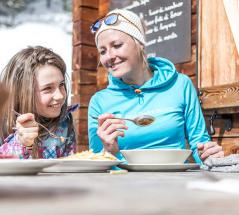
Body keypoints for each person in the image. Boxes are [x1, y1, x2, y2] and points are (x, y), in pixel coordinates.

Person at [87, 9, 224, 163]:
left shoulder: (181, 85)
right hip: (122, 183)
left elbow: (199, 144)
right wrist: (109, 151)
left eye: (117, 45)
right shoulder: (99, 102)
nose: (109, 56)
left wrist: (208, 155)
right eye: (103, 51)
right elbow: (97, 162)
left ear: (139, 44)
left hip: (176, 182)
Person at [0, 46, 79, 159]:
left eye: (61, 85)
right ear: (22, 93)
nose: (60, 96)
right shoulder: (2, 123)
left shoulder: (65, 123)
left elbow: (70, 166)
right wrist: (21, 143)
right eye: (47, 88)